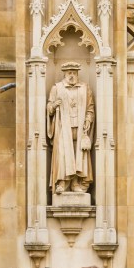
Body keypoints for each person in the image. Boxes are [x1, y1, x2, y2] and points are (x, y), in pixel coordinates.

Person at [47, 61, 95, 195]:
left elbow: (90, 108)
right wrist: (54, 105)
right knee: (63, 154)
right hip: (63, 128)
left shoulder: (85, 88)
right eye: (69, 73)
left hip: (79, 128)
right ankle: (62, 182)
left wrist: (88, 119)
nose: (72, 75)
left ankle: (75, 182)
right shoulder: (57, 88)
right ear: (65, 74)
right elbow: (49, 108)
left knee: (78, 154)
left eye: (74, 72)